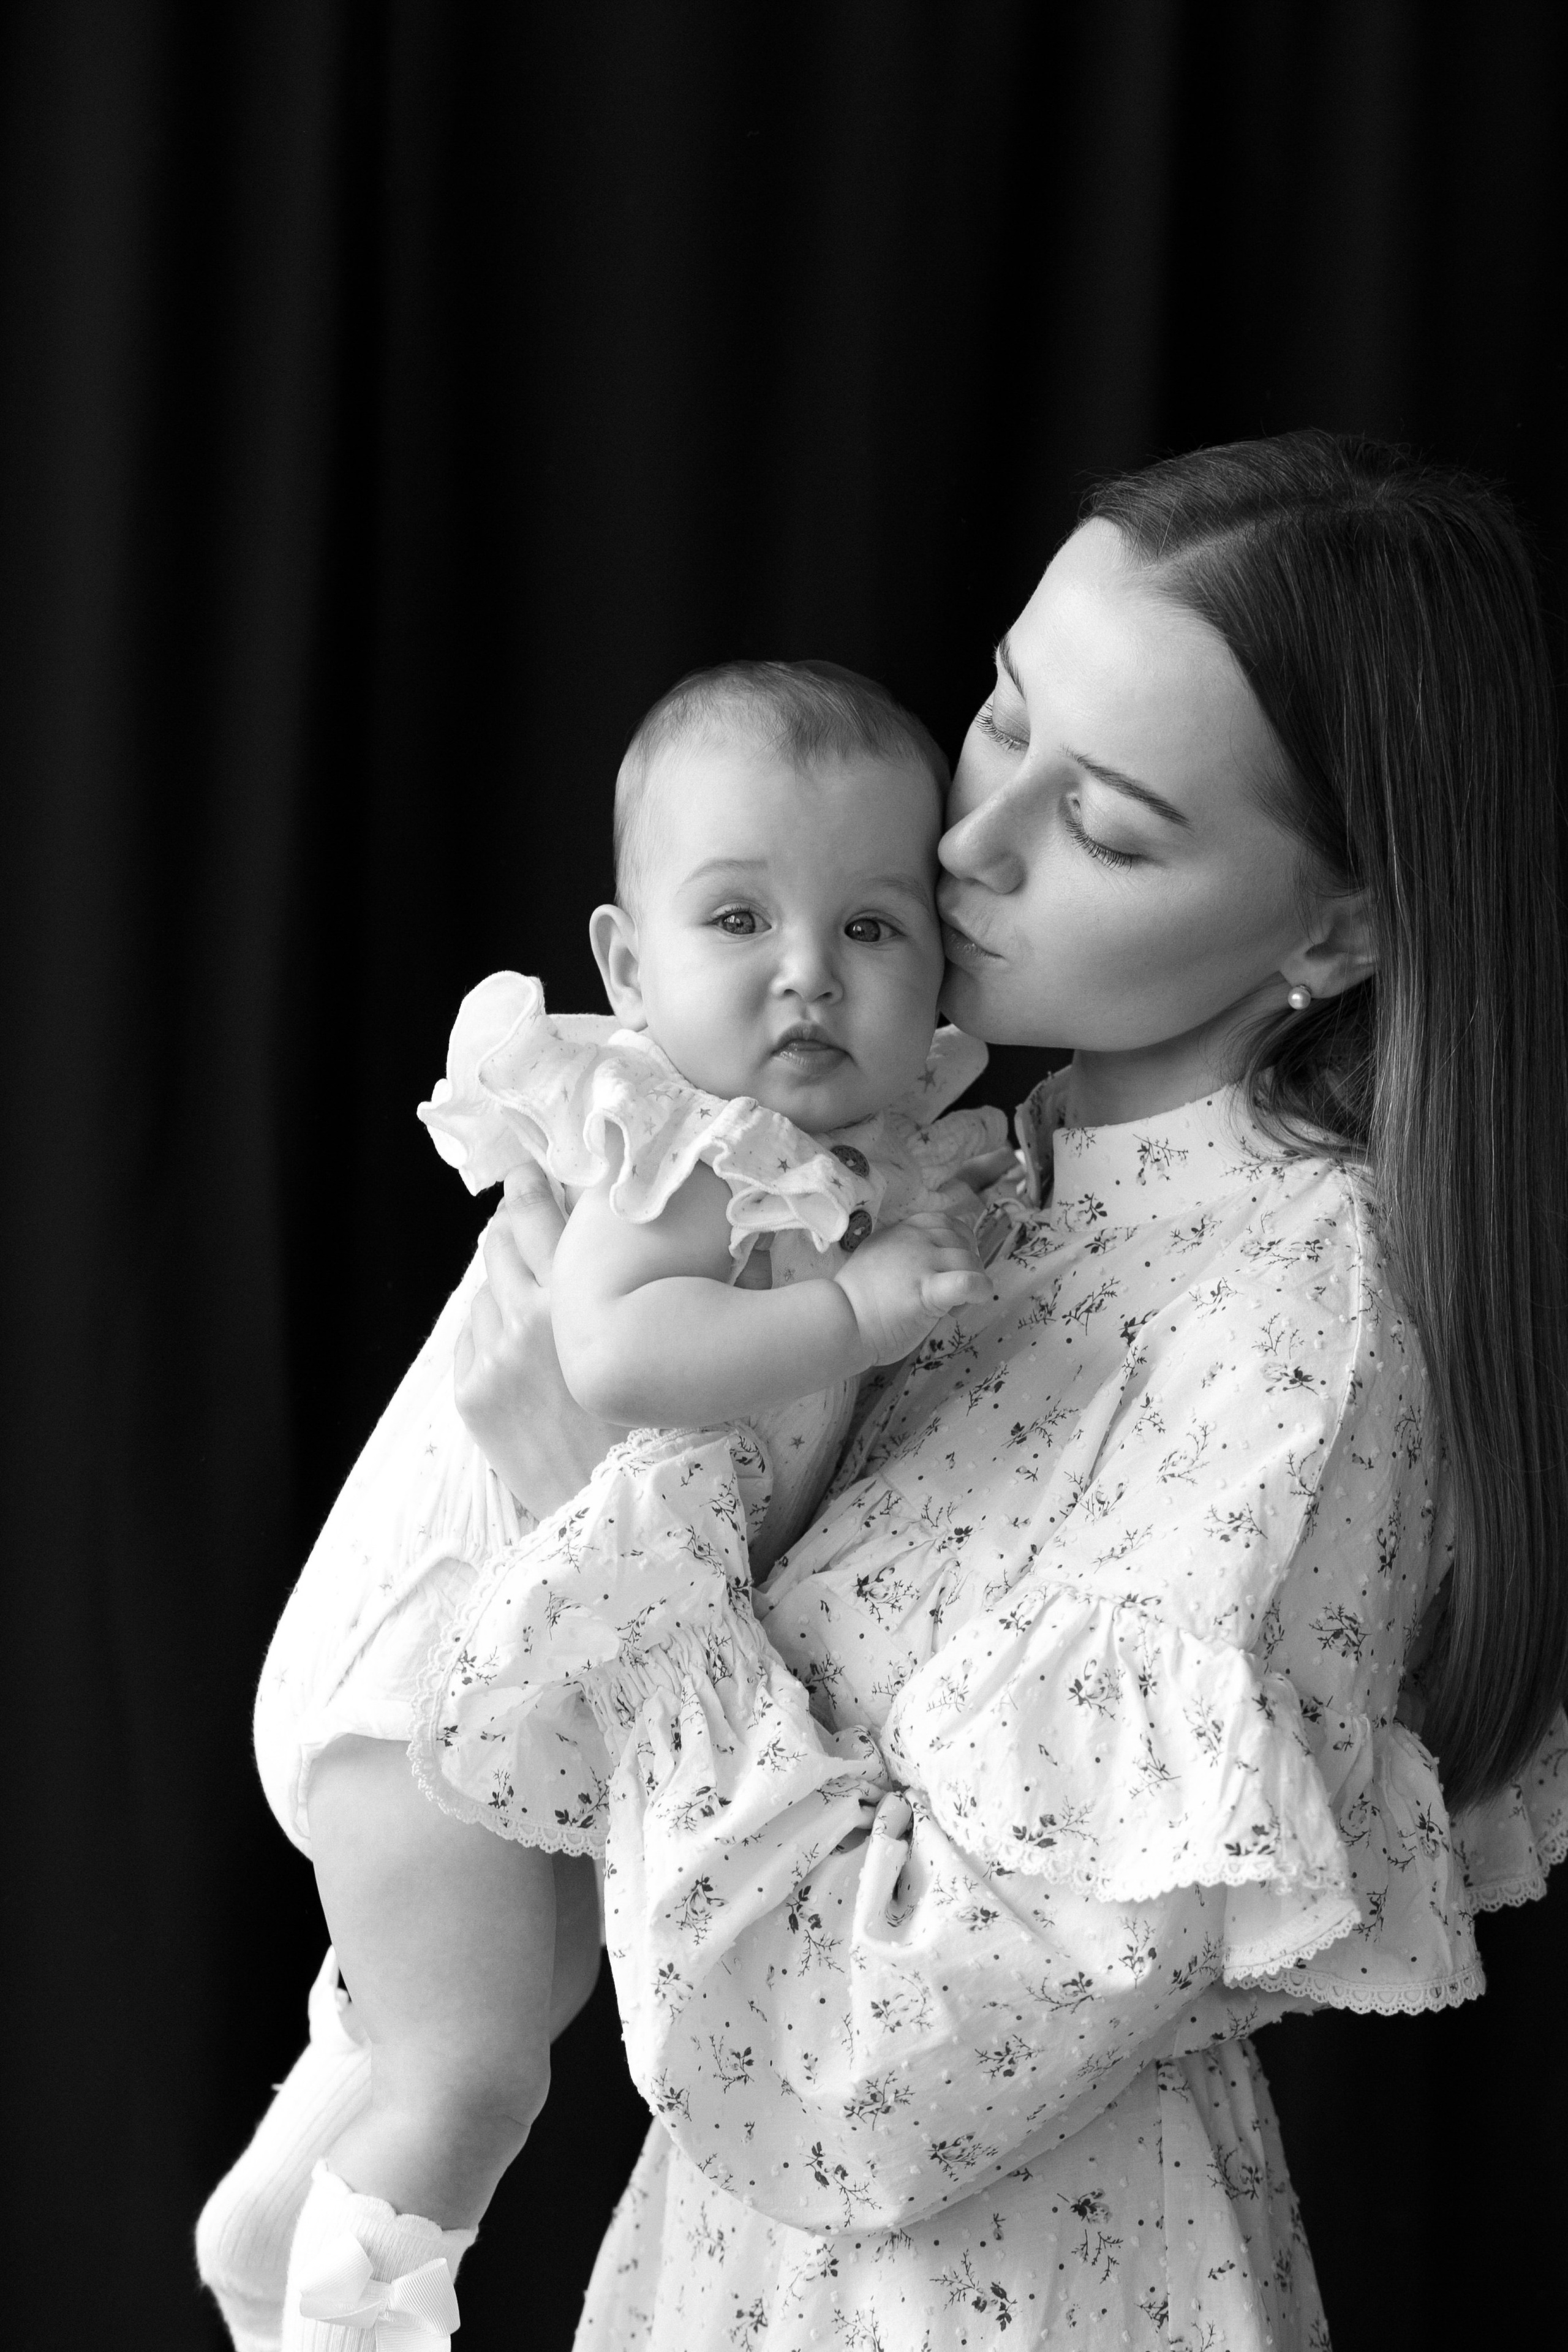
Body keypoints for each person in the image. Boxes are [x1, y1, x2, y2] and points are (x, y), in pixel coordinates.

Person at [433, 432, 1568, 2350]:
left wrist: (606, 1530)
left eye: (1109, 826)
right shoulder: (978, 1158)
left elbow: (869, 2067)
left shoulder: (1298, 1332)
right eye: (999, 715)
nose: (966, 846)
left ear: (1337, 933)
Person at [197, 661, 1009, 2352]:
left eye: (871, 927)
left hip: (533, 1656)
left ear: (936, 962)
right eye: (738, 917)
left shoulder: (835, 1153)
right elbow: (627, 1353)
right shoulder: (669, 1133)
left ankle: (269, 2225)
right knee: (477, 2066)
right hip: (433, 1657)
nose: (805, 972)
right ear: (631, 965)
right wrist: (860, 1310)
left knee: (514, 2005)